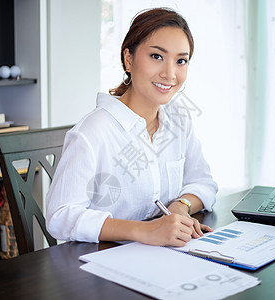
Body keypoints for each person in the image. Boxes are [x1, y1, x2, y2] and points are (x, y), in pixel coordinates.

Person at [46, 7, 218, 247]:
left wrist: (180, 206)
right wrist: (144, 231)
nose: (170, 73)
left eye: (181, 61)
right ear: (129, 59)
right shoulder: (93, 131)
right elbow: (60, 216)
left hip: (162, 255)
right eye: (157, 56)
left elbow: (204, 182)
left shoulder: (179, 120)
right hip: (101, 263)